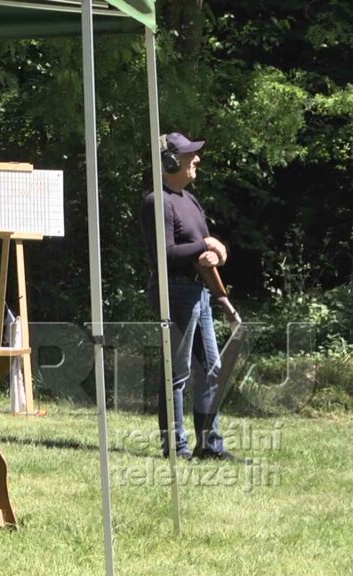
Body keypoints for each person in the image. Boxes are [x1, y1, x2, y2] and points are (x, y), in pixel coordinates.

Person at [141, 132, 235, 461]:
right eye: (188, 155)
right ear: (169, 162)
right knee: (177, 373)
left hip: (198, 292)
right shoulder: (157, 201)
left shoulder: (190, 201)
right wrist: (206, 246)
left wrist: (216, 254)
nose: (196, 159)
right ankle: (176, 448)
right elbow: (165, 254)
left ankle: (210, 446)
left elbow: (202, 248)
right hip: (174, 292)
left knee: (212, 370)